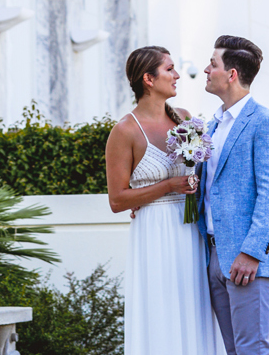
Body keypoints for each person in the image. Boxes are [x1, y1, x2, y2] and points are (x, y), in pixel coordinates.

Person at [104, 45, 220, 355]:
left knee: (193, 305)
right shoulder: (125, 131)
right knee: (162, 307)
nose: (177, 75)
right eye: (169, 69)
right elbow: (117, 200)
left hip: (189, 229)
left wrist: (191, 184)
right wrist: (166, 186)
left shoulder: (183, 118)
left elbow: (202, 171)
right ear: (148, 79)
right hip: (154, 233)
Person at [201, 35, 269, 355]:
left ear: (232, 74)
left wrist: (252, 252)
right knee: (234, 351)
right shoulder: (212, 125)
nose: (207, 70)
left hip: (247, 260)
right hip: (213, 256)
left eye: (213, 64)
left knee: (252, 350)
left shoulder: (265, 123)